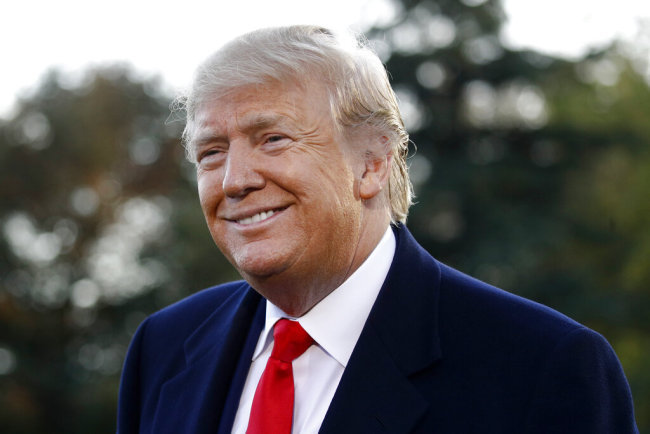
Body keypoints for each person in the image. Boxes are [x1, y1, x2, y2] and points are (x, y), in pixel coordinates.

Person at [117, 25, 638, 433]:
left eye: (272, 139)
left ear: (372, 164)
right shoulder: (163, 348)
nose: (234, 180)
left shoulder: (542, 369)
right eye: (212, 153)